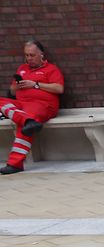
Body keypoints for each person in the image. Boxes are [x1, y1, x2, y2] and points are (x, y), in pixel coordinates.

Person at [2, 40, 64, 175]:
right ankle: (27, 120)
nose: (29, 59)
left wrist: (34, 84)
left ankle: (15, 164)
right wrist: (15, 87)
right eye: (26, 55)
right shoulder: (22, 68)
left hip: (42, 105)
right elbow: (12, 92)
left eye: (32, 55)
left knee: (24, 125)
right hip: (21, 105)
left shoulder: (51, 69)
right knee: (4, 103)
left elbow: (59, 88)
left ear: (41, 54)